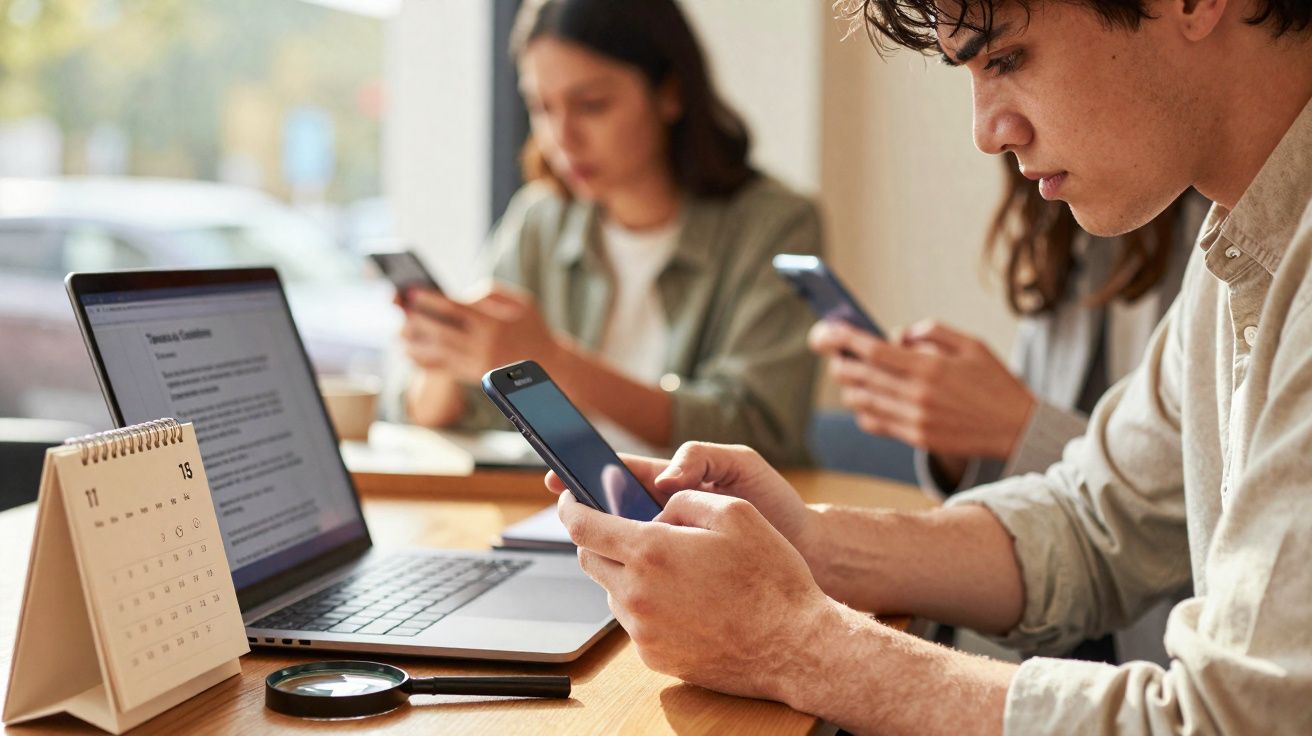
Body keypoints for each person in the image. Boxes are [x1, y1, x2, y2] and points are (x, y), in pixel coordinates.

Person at [552, 0, 1312, 733]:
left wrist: (796, 643)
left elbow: (1236, 723)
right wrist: (812, 547)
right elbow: (1094, 521)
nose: (985, 132)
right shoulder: (1237, 254)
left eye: (1009, 57)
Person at [387, 0, 823, 465]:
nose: (561, 137)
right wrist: (444, 361)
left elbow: (757, 428)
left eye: (591, 105)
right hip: (559, 514)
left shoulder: (776, 225)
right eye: (541, 106)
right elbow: (440, 411)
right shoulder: (541, 219)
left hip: (707, 521)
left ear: (669, 93)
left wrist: (550, 360)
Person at [830, 160, 1209, 664]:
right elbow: (1079, 514)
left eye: (1009, 72)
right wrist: (959, 442)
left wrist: (1019, 428)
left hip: (1153, 645)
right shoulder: (1071, 235)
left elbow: (1181, 513)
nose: (984, 136)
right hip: (1055, 616)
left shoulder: (1224, 245)